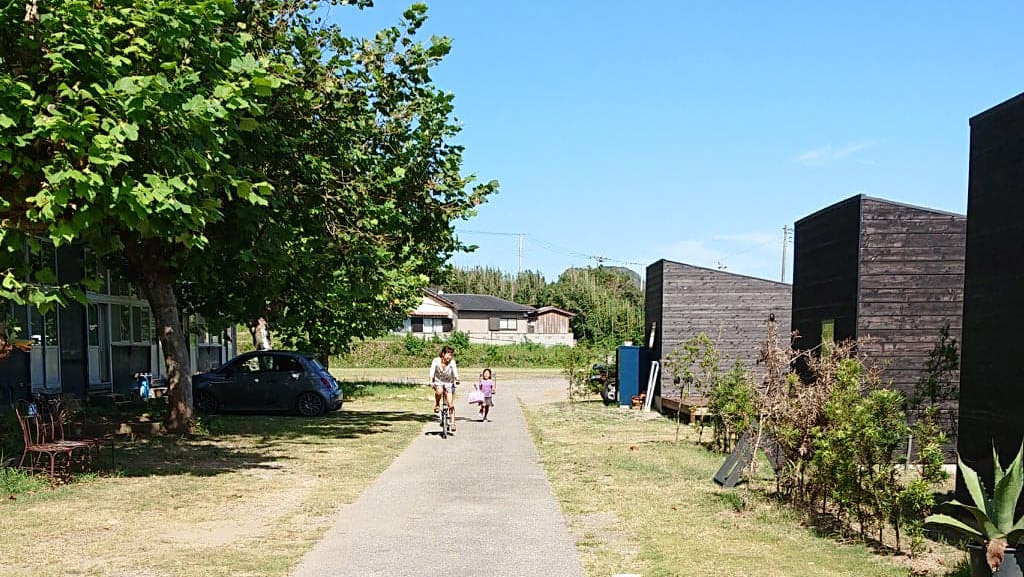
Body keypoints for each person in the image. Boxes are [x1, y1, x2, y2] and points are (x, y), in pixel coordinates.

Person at [429, 345, 459, 432]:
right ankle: (437, 404)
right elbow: (432, 371)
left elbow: (455, 371)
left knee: (450, 404)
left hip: (449, 383)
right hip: (438, 382)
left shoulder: (452, 362)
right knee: (439, 391)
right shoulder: (436, 361)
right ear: (443, 354)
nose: (449, 357)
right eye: (448, 354)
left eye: (451, 355)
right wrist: (431, 381)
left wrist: (457, 379)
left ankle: (453, 423)